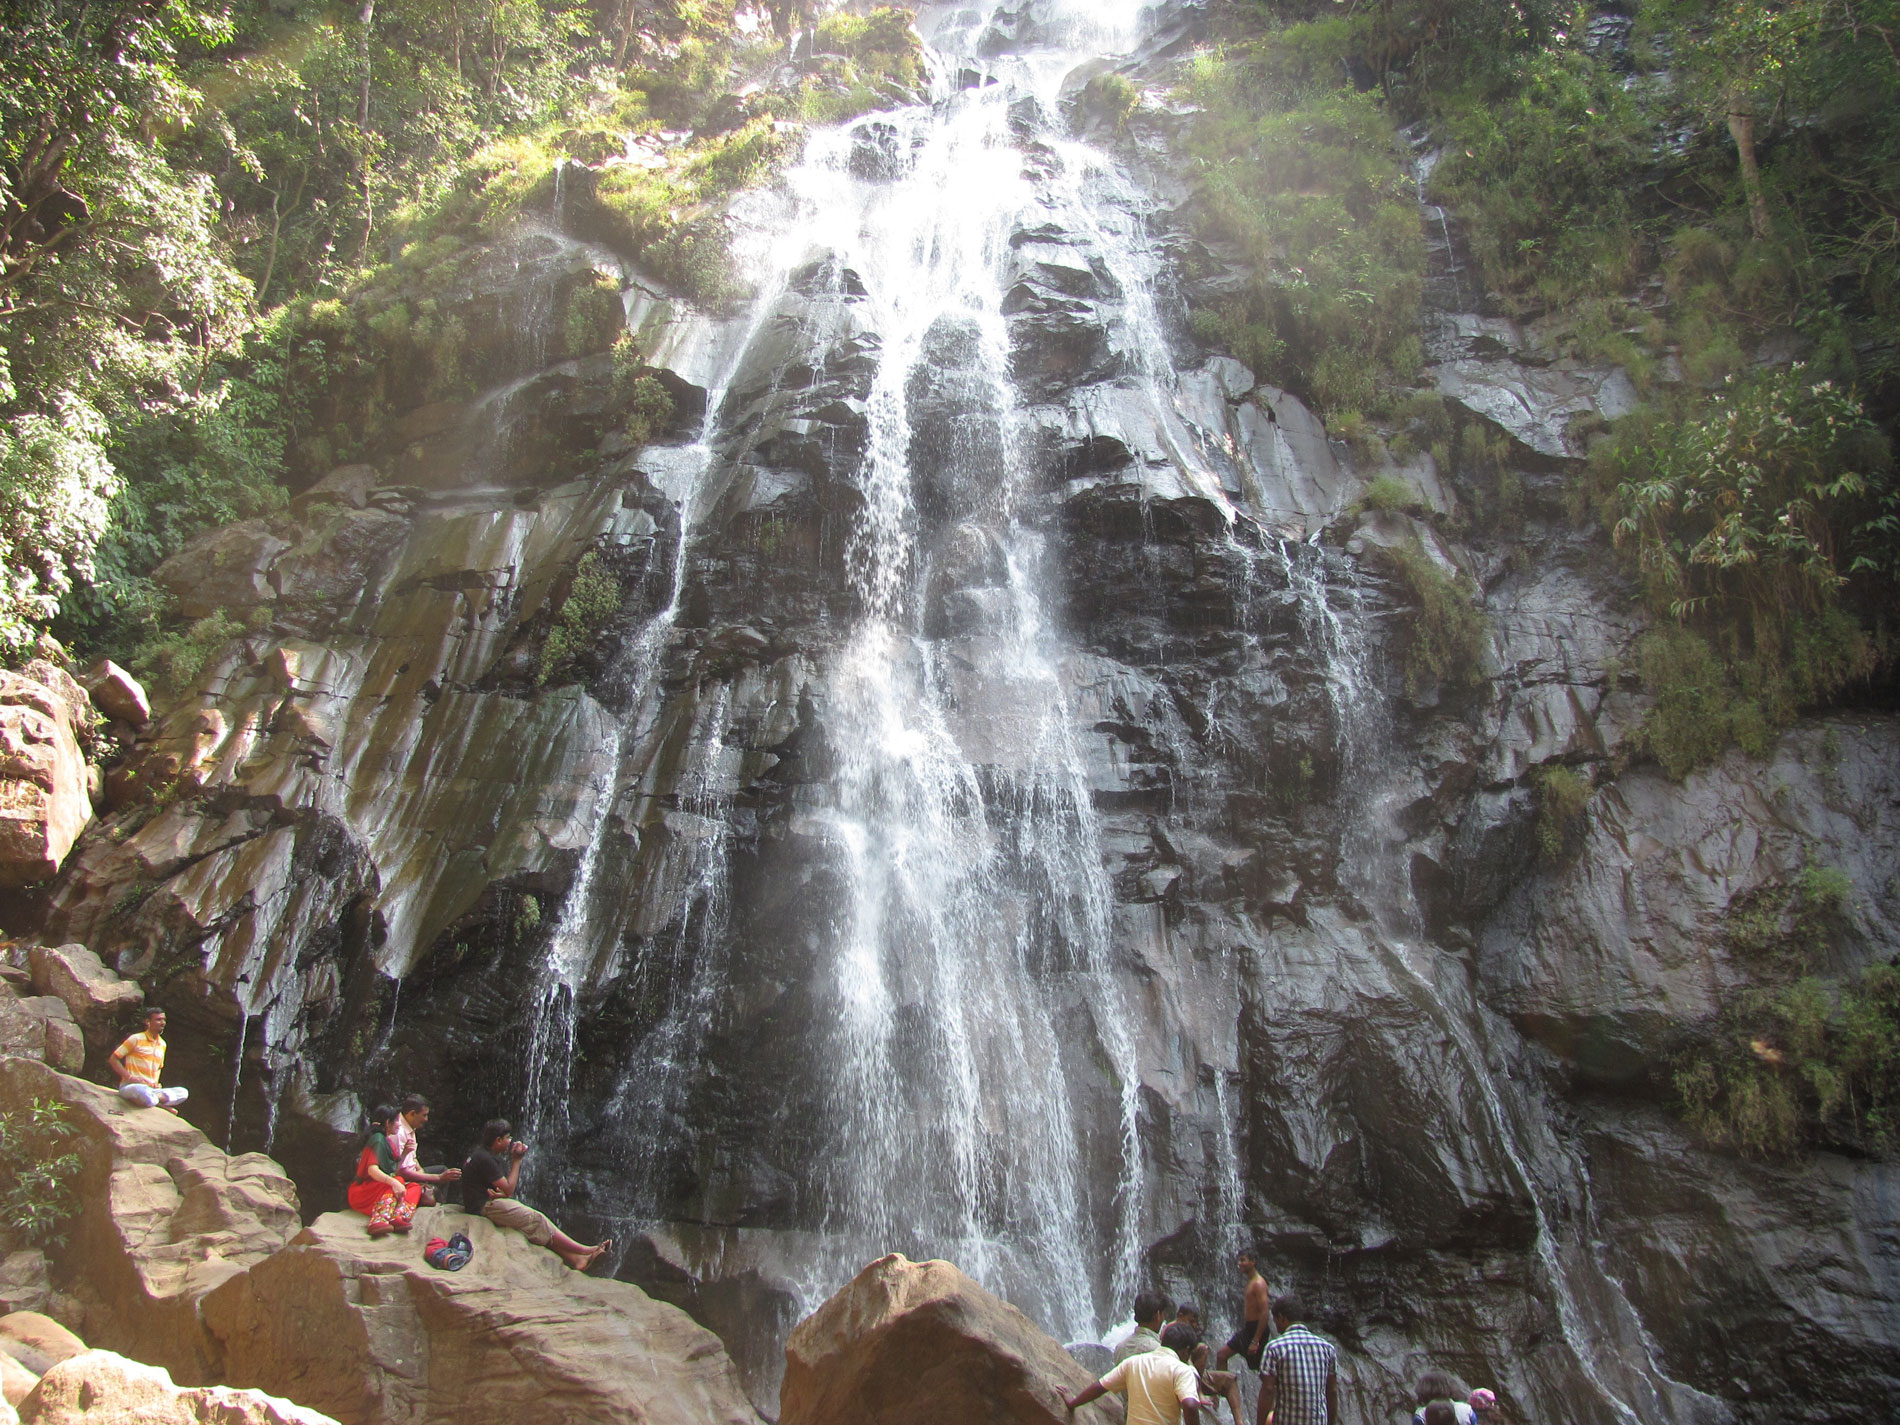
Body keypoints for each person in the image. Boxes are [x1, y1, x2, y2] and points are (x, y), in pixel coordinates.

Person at [461, 1120, 609, 1272]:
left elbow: (499, 1188)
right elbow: (509, 1189)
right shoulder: (485, 1158)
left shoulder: (480, 1154)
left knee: (535, 1228)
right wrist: (517, 1160)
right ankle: (585, 1250)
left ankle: (577, 1260)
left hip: (484, 1203)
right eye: (507, 1137)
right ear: (498, 1140)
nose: (510, 1140)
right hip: (483, 1207)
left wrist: (501, 1192)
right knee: (536, 1220)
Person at [1066, 1320, 1207, 1425]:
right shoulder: (1182, 1370)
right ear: (1185, 1350)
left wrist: (1072, 1402)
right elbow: (1189, 1405)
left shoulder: (1134, 1362)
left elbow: (1099, 1387)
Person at [1257, 1294, 1337, 1425]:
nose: (1275, 1325)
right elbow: (1332, 1391)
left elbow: (1268, 1390)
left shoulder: (1275, 1348)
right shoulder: (1327, 1348)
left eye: (1275, 1320)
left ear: (1282, 1318)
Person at [348, 1104, 423, 1237]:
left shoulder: (386, 1141)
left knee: (414, 1187)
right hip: (363, 1191)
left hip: (376, 1189)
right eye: (397, 1121)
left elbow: (394, 1170)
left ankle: (397, 1216)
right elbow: (372, 1170)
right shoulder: (377, 1139)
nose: (399, 1125)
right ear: (388, 1123)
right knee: (398, 1181)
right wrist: (393, 1182)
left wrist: (405, 1153)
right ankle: (378, 1220)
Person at [387, 1094, 461, 1206]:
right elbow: (400, 1171)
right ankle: (439, 1206)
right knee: (441, 1178)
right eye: (424, 1115)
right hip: (402, 1178)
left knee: (444, 1170)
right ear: (412, 1113)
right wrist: (437, 1178)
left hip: (412, 1171)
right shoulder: (398, 1132)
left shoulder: (410, 1126)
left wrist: (421, 1170)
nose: (426, 1119)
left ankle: (443, 1204)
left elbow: (412, 1157)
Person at [109, 1007, 187, 1110]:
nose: (162, 1023)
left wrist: (155, 1083)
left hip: (151, 1090)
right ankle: (158, 1102)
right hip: (133, 1086)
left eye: (164, 1020)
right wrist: (129, 1077)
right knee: (142, 1092)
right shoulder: (136, 1039)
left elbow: (159, 1068)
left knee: (183, 1092)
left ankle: (154, 1100)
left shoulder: (162, 1044)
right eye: (158, 1020)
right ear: (147, 1022)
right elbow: (113, 1059)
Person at [1215, 1248, 1272, 1373]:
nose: (1239, 1263)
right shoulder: (1250, 1282)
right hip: (1249, 1329)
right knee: (1221, 1355)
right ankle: (1223, 1390)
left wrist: (1255, 1340)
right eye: (1239, 1260)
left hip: (1257, 1331)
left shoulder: (1259, 1284)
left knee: (1264, 1371)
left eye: (1243, 1260)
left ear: (1253, 1262)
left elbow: (1265, 1312)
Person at [1189, 1338, 1246, 1424]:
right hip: (1183, 1372)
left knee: (1229, 1379)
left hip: (1199, 1374)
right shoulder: (1175, 1331)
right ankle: (1199, 1390)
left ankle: (1239, 1422)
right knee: (1201, 1349)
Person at [1115, 1291, 1171, 1364]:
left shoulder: (1120, 1348)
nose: (1163, 1318)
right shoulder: (1157, 1350)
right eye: (1163, 1314)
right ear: (1158, 1315)